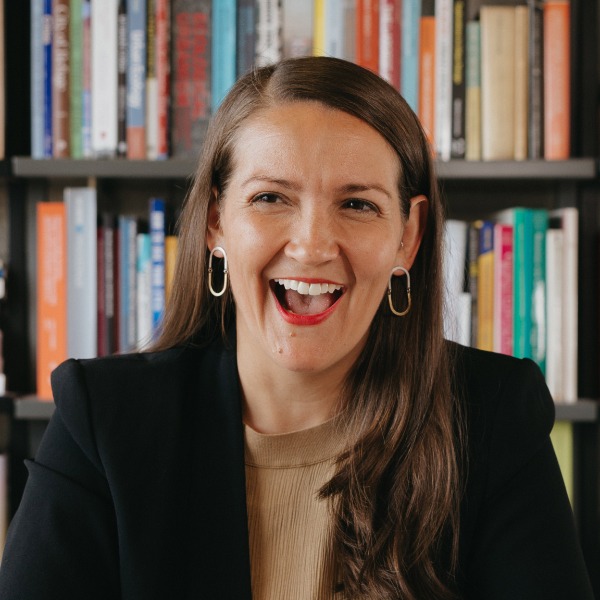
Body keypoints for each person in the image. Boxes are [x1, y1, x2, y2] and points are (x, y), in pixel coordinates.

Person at [0, 56, 594, 600]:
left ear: (408, 237)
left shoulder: (493, 416)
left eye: (357, 204)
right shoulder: (103, 420)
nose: (311, 246)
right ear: (215, 223)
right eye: (270, 198)